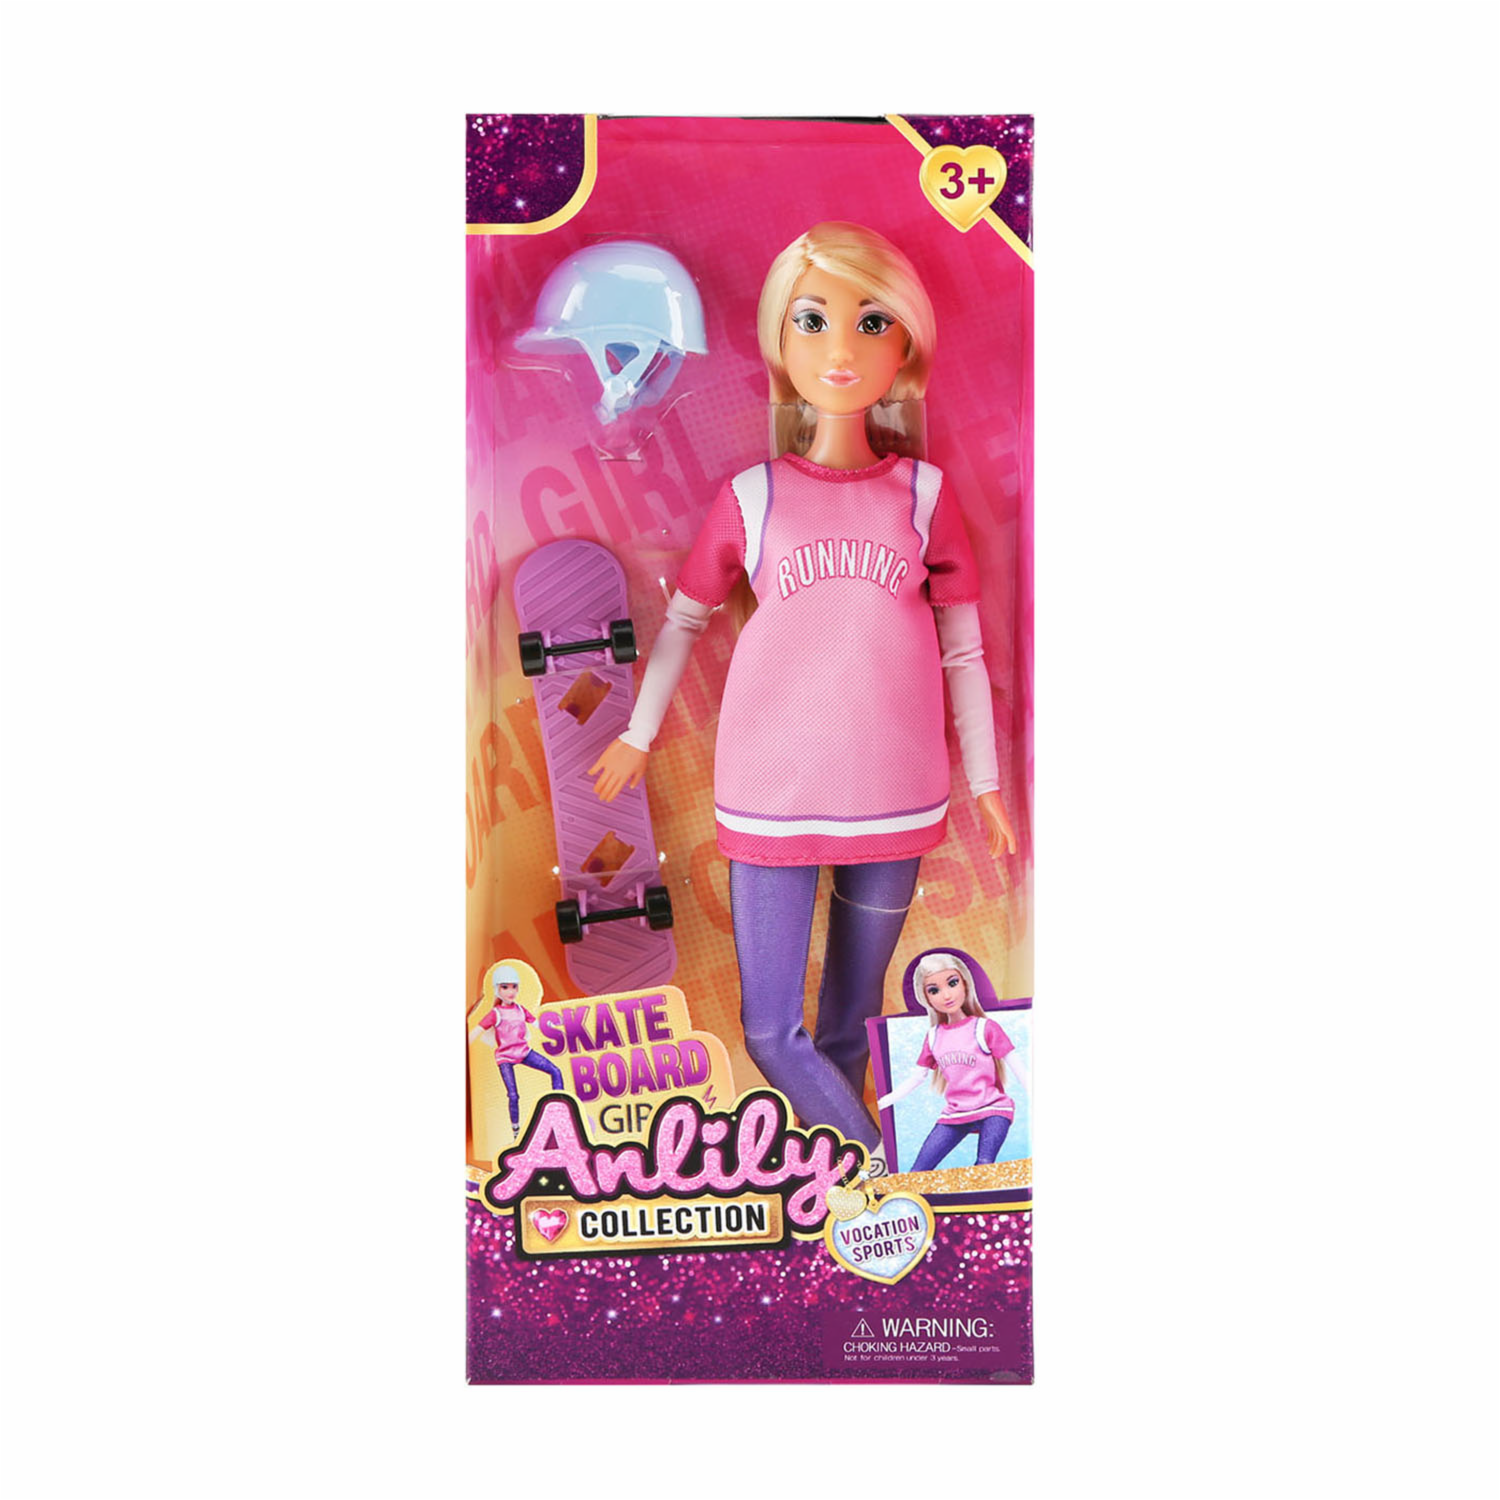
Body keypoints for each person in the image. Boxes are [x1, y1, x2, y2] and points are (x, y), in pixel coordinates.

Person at [591, 223, 1014, 1151]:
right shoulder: (753, 496)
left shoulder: (924, 496)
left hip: (896, 790)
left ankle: (849, 1195)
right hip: (770, 791)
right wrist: (637, 733)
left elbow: (963, 653)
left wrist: (985, 785)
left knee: (849, 1023)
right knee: (770, 1031)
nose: (840, 349)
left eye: (872, 322)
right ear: (781, 340)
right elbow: (686, 620)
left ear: (906, 345)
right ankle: (877, 1182)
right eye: (812, 320)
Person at [878, 951, 1029, 1170]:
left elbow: (1017, 1066)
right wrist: (885, 1101)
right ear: (926, 998)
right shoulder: (934, 1036)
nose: (947, 995)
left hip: (993, 1109)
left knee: (983, 1166)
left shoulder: (984, 1028)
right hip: (956, 1113)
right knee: (917, 1171)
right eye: (934, 990)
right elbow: (917, 1077)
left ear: (965, 983)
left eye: (952, 983)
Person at [469, 964, 563, 1137]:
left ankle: (561, 1114)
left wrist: (555, 1027)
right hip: (505, 1057)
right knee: (513, 1095)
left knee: (555, 1071)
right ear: (497, 989)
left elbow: (537, 1024)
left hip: (524, 1052)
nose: (510, 991)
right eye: (505, 987)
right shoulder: (496, 1013)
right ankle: (516, 1130)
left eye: (514, 987)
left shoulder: (520, 1009)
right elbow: (476, 1031)